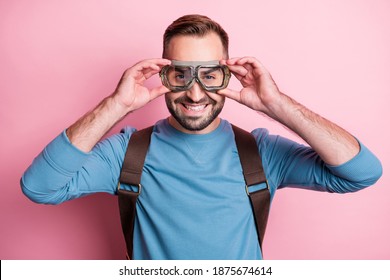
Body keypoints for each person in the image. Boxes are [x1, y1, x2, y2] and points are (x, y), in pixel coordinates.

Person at [21, 14, 382, 260]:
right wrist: (116, 106)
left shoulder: (261, 153)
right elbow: (39, 187)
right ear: (163, 76)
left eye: (209, 75)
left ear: (228, 76)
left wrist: (277, 104)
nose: (195, 94)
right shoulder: (127, 153)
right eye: (181, 75)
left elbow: (362, 172)